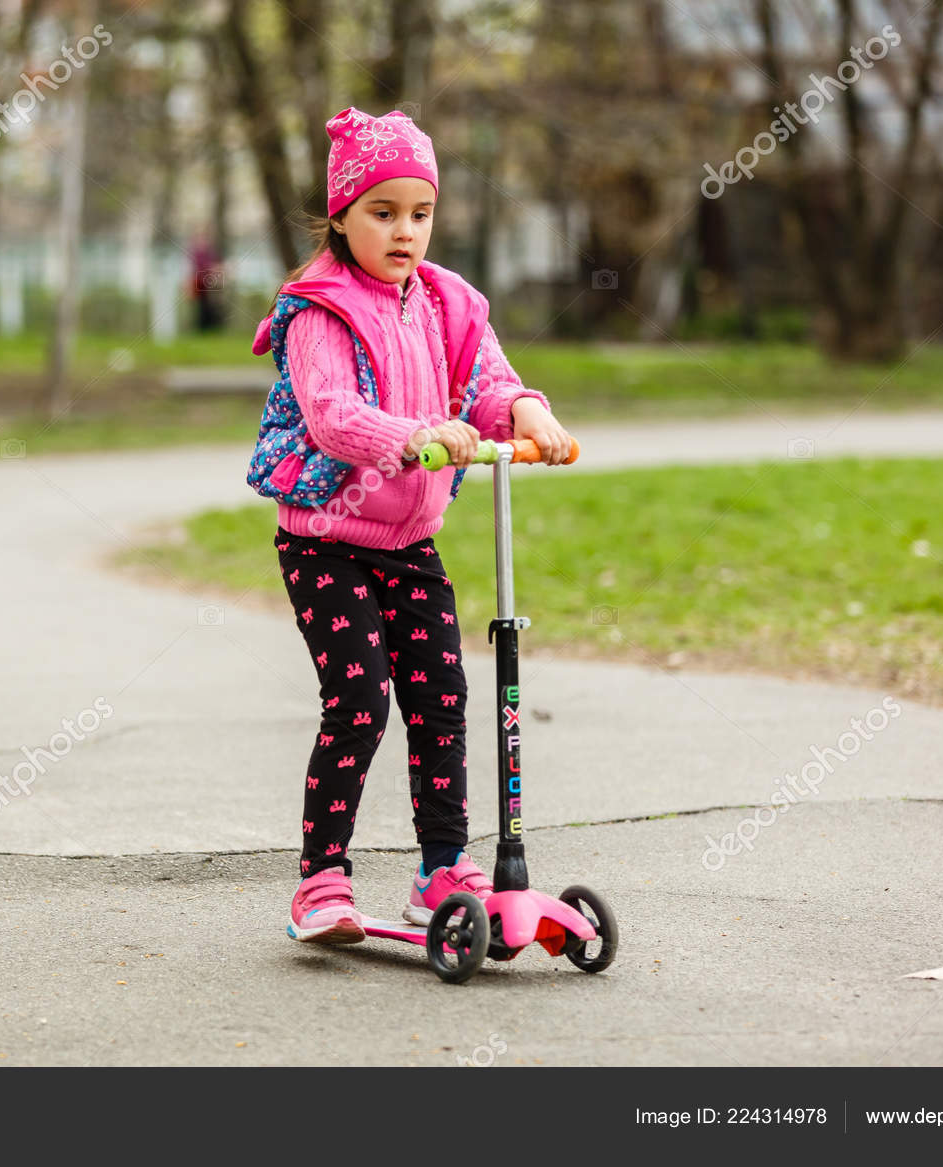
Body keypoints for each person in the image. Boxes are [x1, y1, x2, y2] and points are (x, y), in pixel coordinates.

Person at [248, 107, 575, 944]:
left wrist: (530, 414)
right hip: (324, 536)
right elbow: (330, 414)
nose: (404, 232)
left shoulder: (443, 301)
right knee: (359, 693)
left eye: (419, 214)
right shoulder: (322, 309)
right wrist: (415, 436)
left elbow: (489, 377)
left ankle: (440, 873)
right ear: (343, 216)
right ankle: (322, 877)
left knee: (441, 694)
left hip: (406, 543)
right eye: (382, 213)